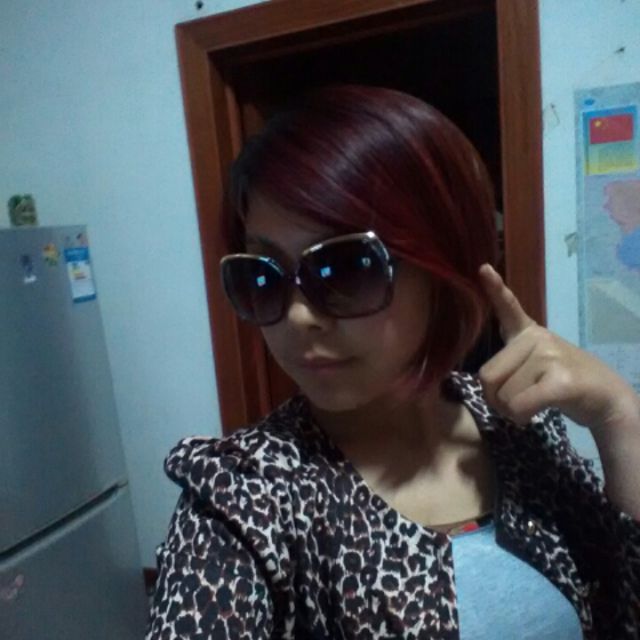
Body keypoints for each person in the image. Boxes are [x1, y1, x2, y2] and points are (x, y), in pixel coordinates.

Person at [146, 85, 640, 639]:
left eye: (346, 267)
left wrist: (621, 417)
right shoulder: (241, 496)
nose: (298, 317)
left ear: (443, 267)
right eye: (261, 276)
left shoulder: (520, 424)